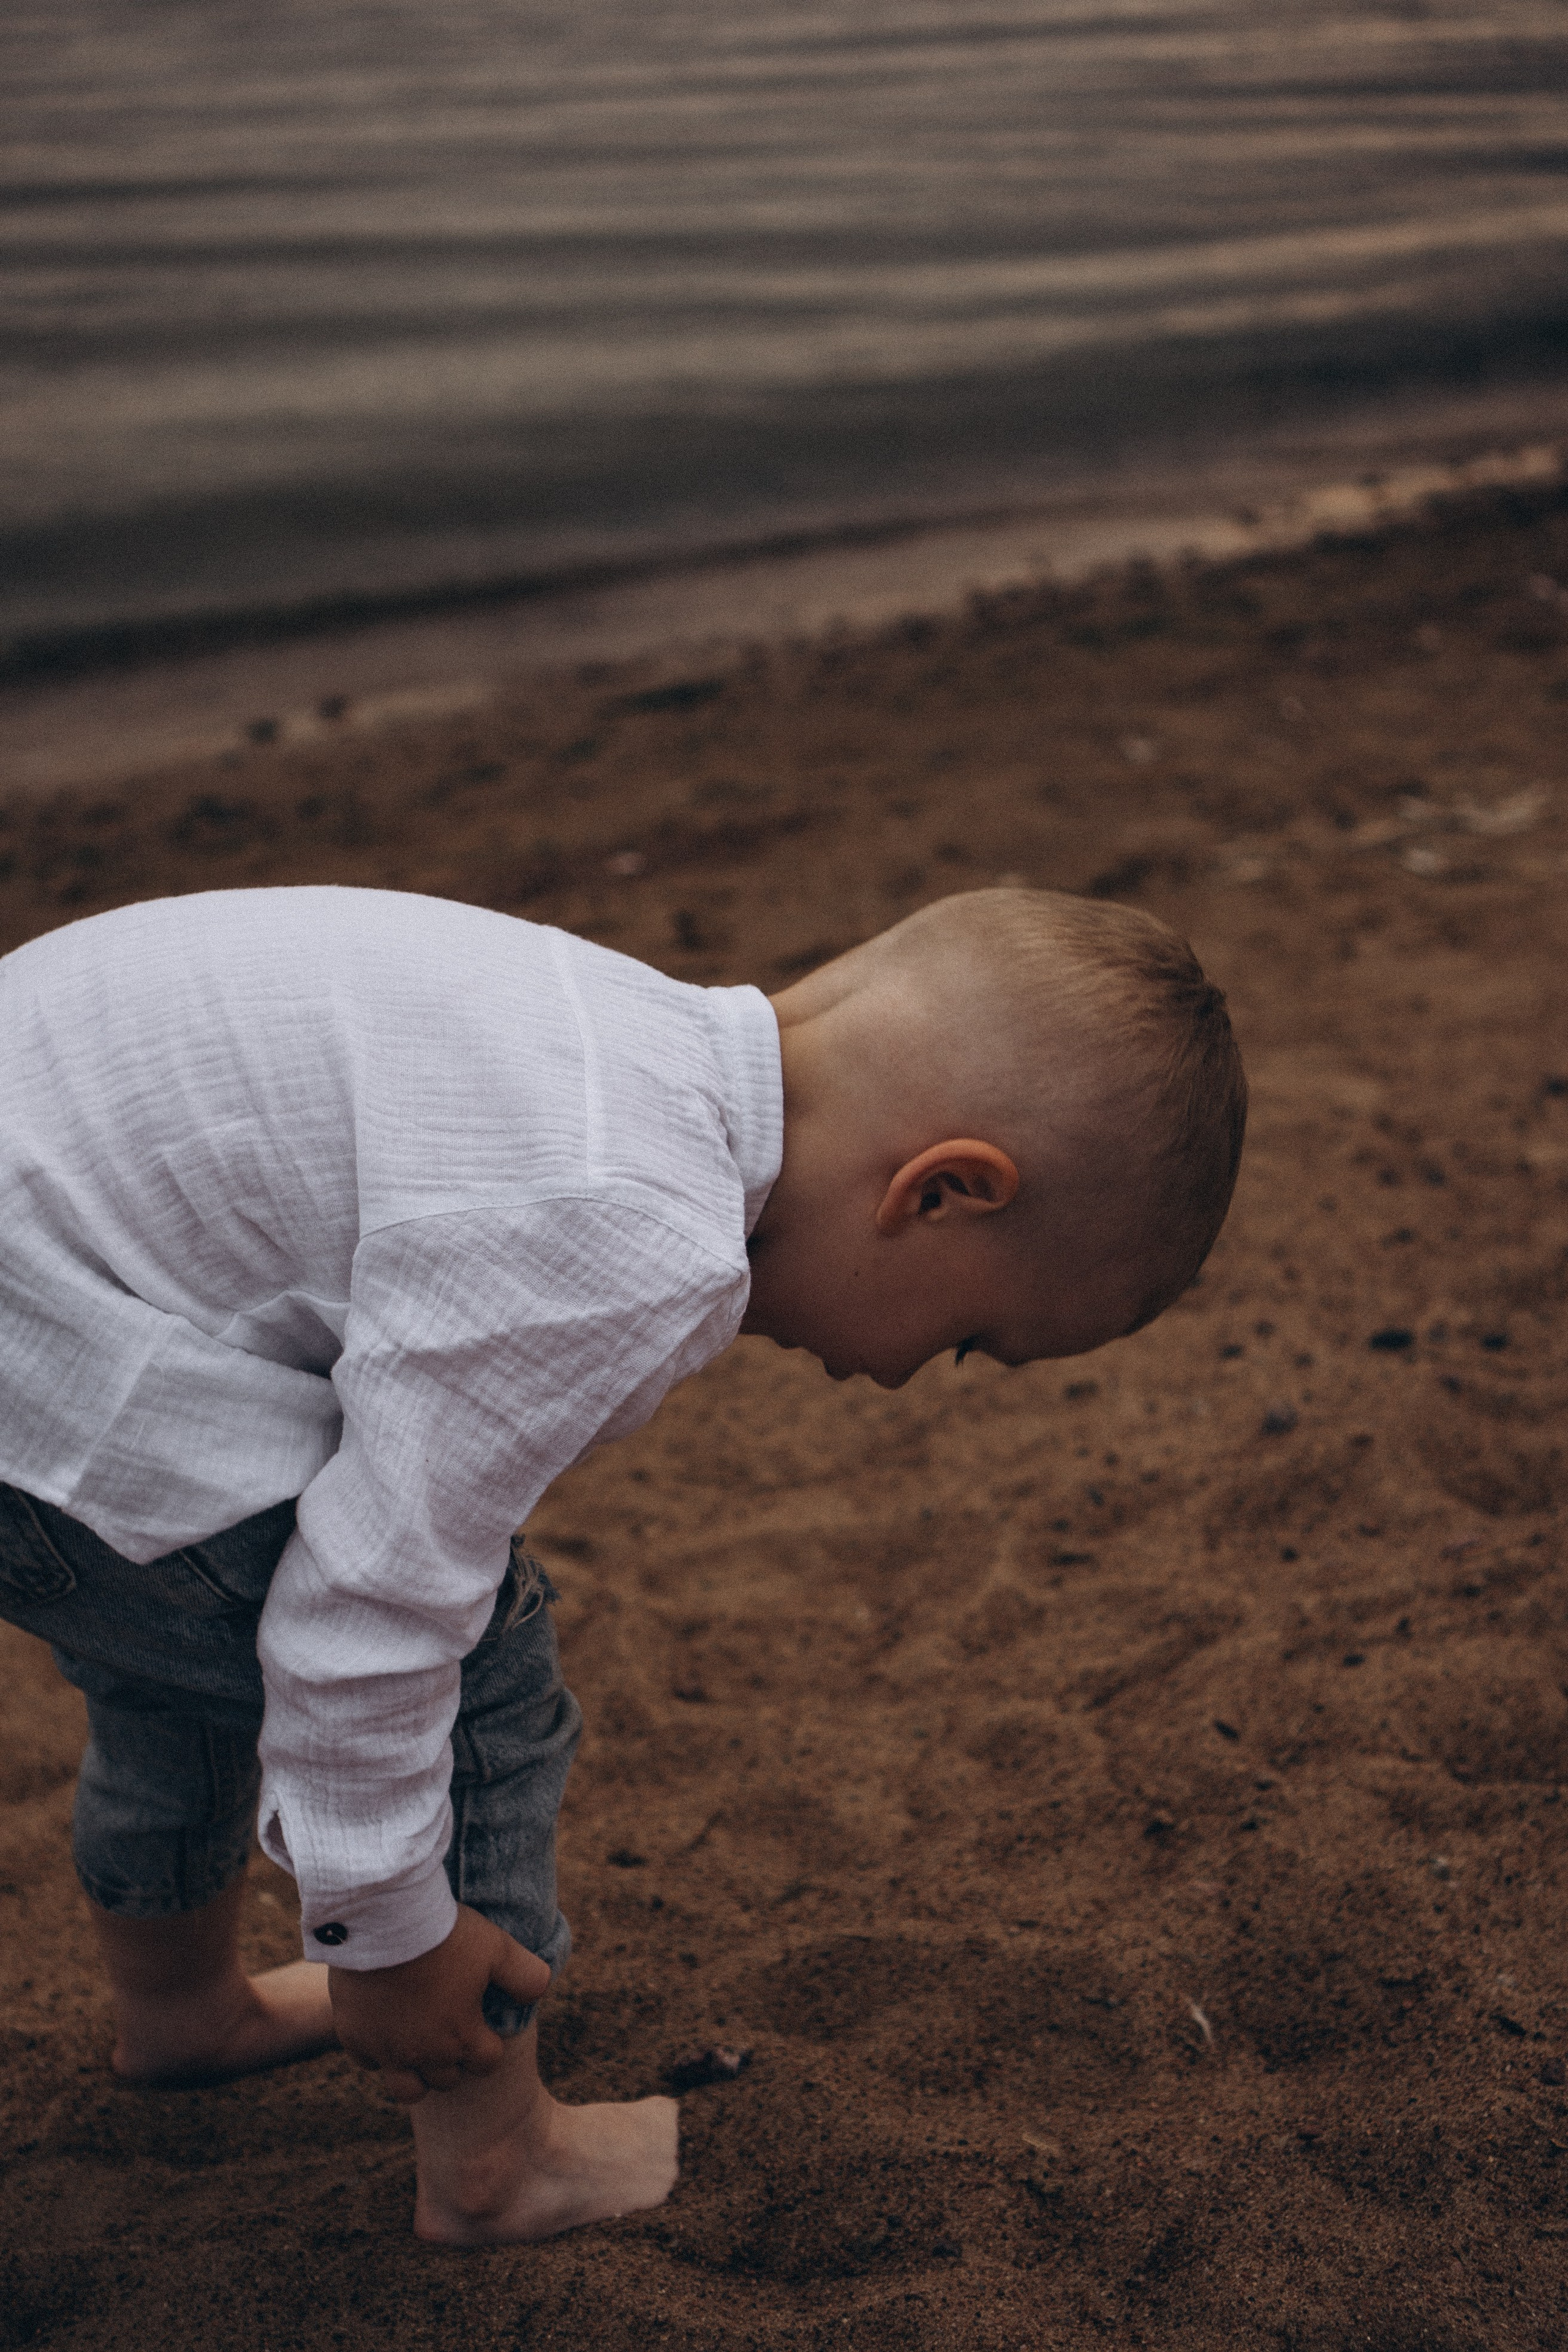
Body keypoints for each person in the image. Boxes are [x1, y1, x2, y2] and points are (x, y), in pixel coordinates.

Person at [0, 881, 1245, 2243]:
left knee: (182, 1653)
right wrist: (388, 1935)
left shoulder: (607, 1045)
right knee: (479, 1672)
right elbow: (371, 1608)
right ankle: (495, 2159)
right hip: (54, 1348)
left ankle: (186, 2015)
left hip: (59, 1290)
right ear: (942, 1191)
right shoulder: (626, 1226)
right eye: (961, 1343)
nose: (898, 1382)